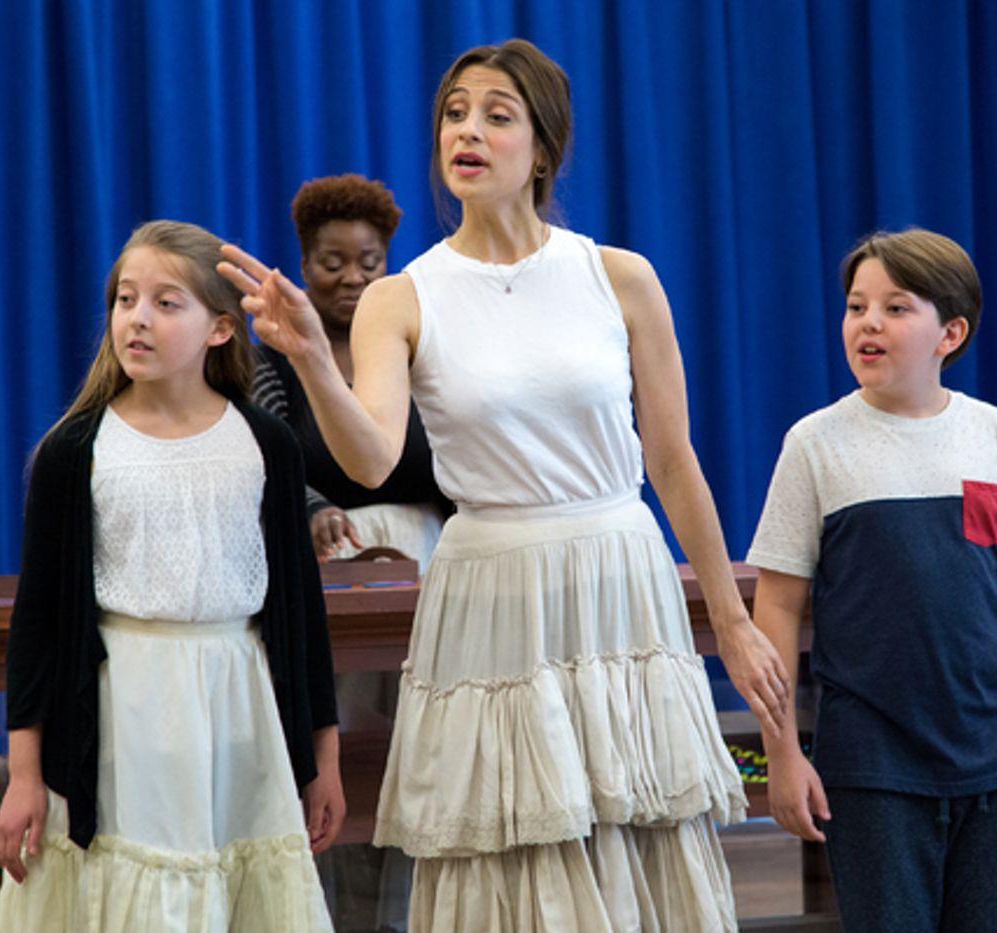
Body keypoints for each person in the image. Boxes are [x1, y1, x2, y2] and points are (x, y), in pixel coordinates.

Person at [219, 37, 790, 933]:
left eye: (496, 113)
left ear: (543, 147)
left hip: (617, 578)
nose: (468, 130)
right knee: (511, 848)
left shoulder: (619, 277)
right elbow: (370, 457)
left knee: (635, 836)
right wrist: (306, 359)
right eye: (454, 112)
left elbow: (674, 464)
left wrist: (732, 619)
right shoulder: (402, 296)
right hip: (492, 587)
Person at [0, 220, 340, 931]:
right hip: (124, 717)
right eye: (125, 299)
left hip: (237, 710)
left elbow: (301, 616)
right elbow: (36, 628)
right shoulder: (75, 450)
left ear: (218, 328)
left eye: (165, 302)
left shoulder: (264, 443)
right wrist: (25, 774)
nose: (136, 318)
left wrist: (321, 759)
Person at [746, 228, 997, 932]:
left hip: (995, 755)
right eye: (856, 306)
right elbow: (778, 607)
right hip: (872, 764)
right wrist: (782, 753)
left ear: (951, 332)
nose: (868, 322)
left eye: (896, 307)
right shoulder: (814, 445)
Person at [252, 173, 450, 570]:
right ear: (306, 267)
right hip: (317, 558)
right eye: (333, 263)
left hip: (432, 555)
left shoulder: (420, 352)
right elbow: (263, 459)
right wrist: (312, 508)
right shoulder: (272, 361)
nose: (353, 277)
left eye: (369, 262)